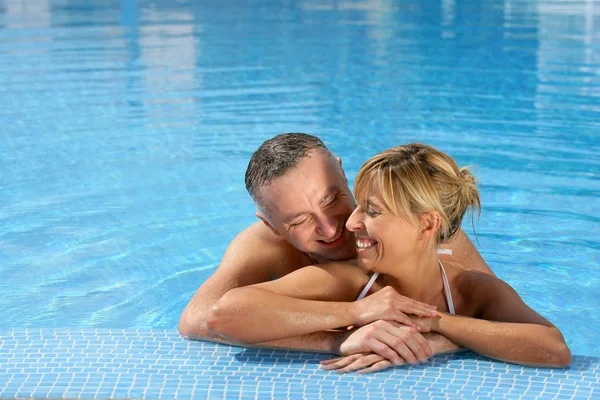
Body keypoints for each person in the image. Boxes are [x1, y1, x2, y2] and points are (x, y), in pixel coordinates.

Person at [208, 143, 571, 371]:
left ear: (427, 225)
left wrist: (439, 328)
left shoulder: (471, 286)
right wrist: (355, 314)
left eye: (372, 211)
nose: (348, 225)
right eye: (300, 221)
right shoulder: (350, 281)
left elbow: (554, 348)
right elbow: (223, 315)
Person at [179, 133, 494, 363]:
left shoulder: (425, 233)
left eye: (331, 200)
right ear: (272, 226)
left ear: (343, 173)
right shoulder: (264, 245)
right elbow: (197, 320)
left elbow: (492, 317)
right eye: (300, 220)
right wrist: (338, 339)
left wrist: (437, 340)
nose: (332, 228)